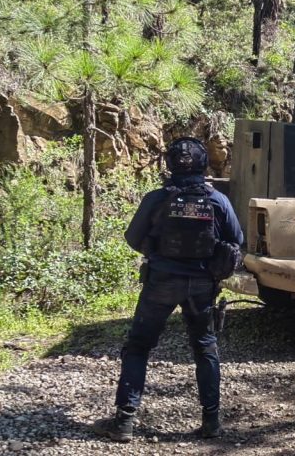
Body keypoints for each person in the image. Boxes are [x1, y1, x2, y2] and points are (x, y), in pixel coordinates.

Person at [93, 137, 244, 442]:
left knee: (138, 347)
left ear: (170, 164)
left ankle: (124, 422)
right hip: (202, 284)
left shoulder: (156, 198)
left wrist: (157, 250)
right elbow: (237, 240)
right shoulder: (218, 200)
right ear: (204, 165)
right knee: (205, 347)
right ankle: (212, 422)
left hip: (161, 281)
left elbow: (133, 238)